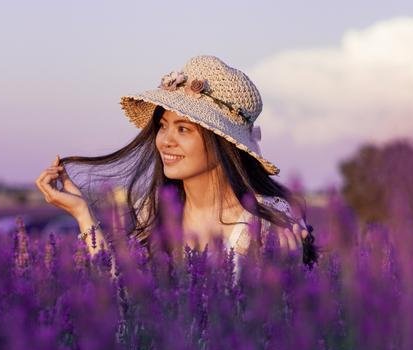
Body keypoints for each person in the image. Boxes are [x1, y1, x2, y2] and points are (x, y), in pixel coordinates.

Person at [35, 55, 318, 278]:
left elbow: (282, 333)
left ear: (224, 143)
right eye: (163, 126)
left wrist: (287, 279)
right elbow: (124, 299)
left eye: (184, 129)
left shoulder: (265, 221)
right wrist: (82, 214)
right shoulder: (154, 211)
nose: (166, 141)